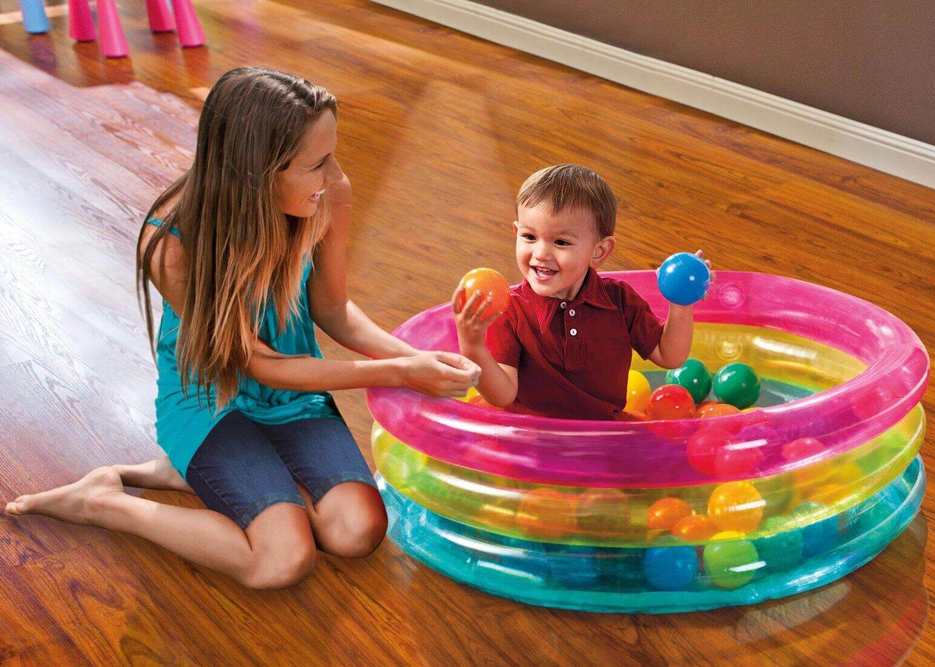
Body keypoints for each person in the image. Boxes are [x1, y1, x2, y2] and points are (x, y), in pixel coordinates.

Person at [4, 67, 480, 589]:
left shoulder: (327, 194)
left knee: (356, 532)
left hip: (295, 399)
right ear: (257, 171)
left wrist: (416, 359)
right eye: (316, 164)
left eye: (332, 154)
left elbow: (334, 310)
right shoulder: (172, 242)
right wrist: (399, 373)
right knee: (281, 561)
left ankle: (191, 474)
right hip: (212, 404)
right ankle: (104, 502)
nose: (334, 175)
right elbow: (259, 364)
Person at [452, 163, 708, 420]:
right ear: (516, 232)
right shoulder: (510, 309)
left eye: (561, 242)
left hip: (602, 433)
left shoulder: (619, 300)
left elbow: (669, 356)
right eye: (529, 237)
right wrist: (473, 347)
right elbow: (502, 395)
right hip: (533, 436)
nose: (540, 253)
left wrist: (681, 303)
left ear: (599, 251)